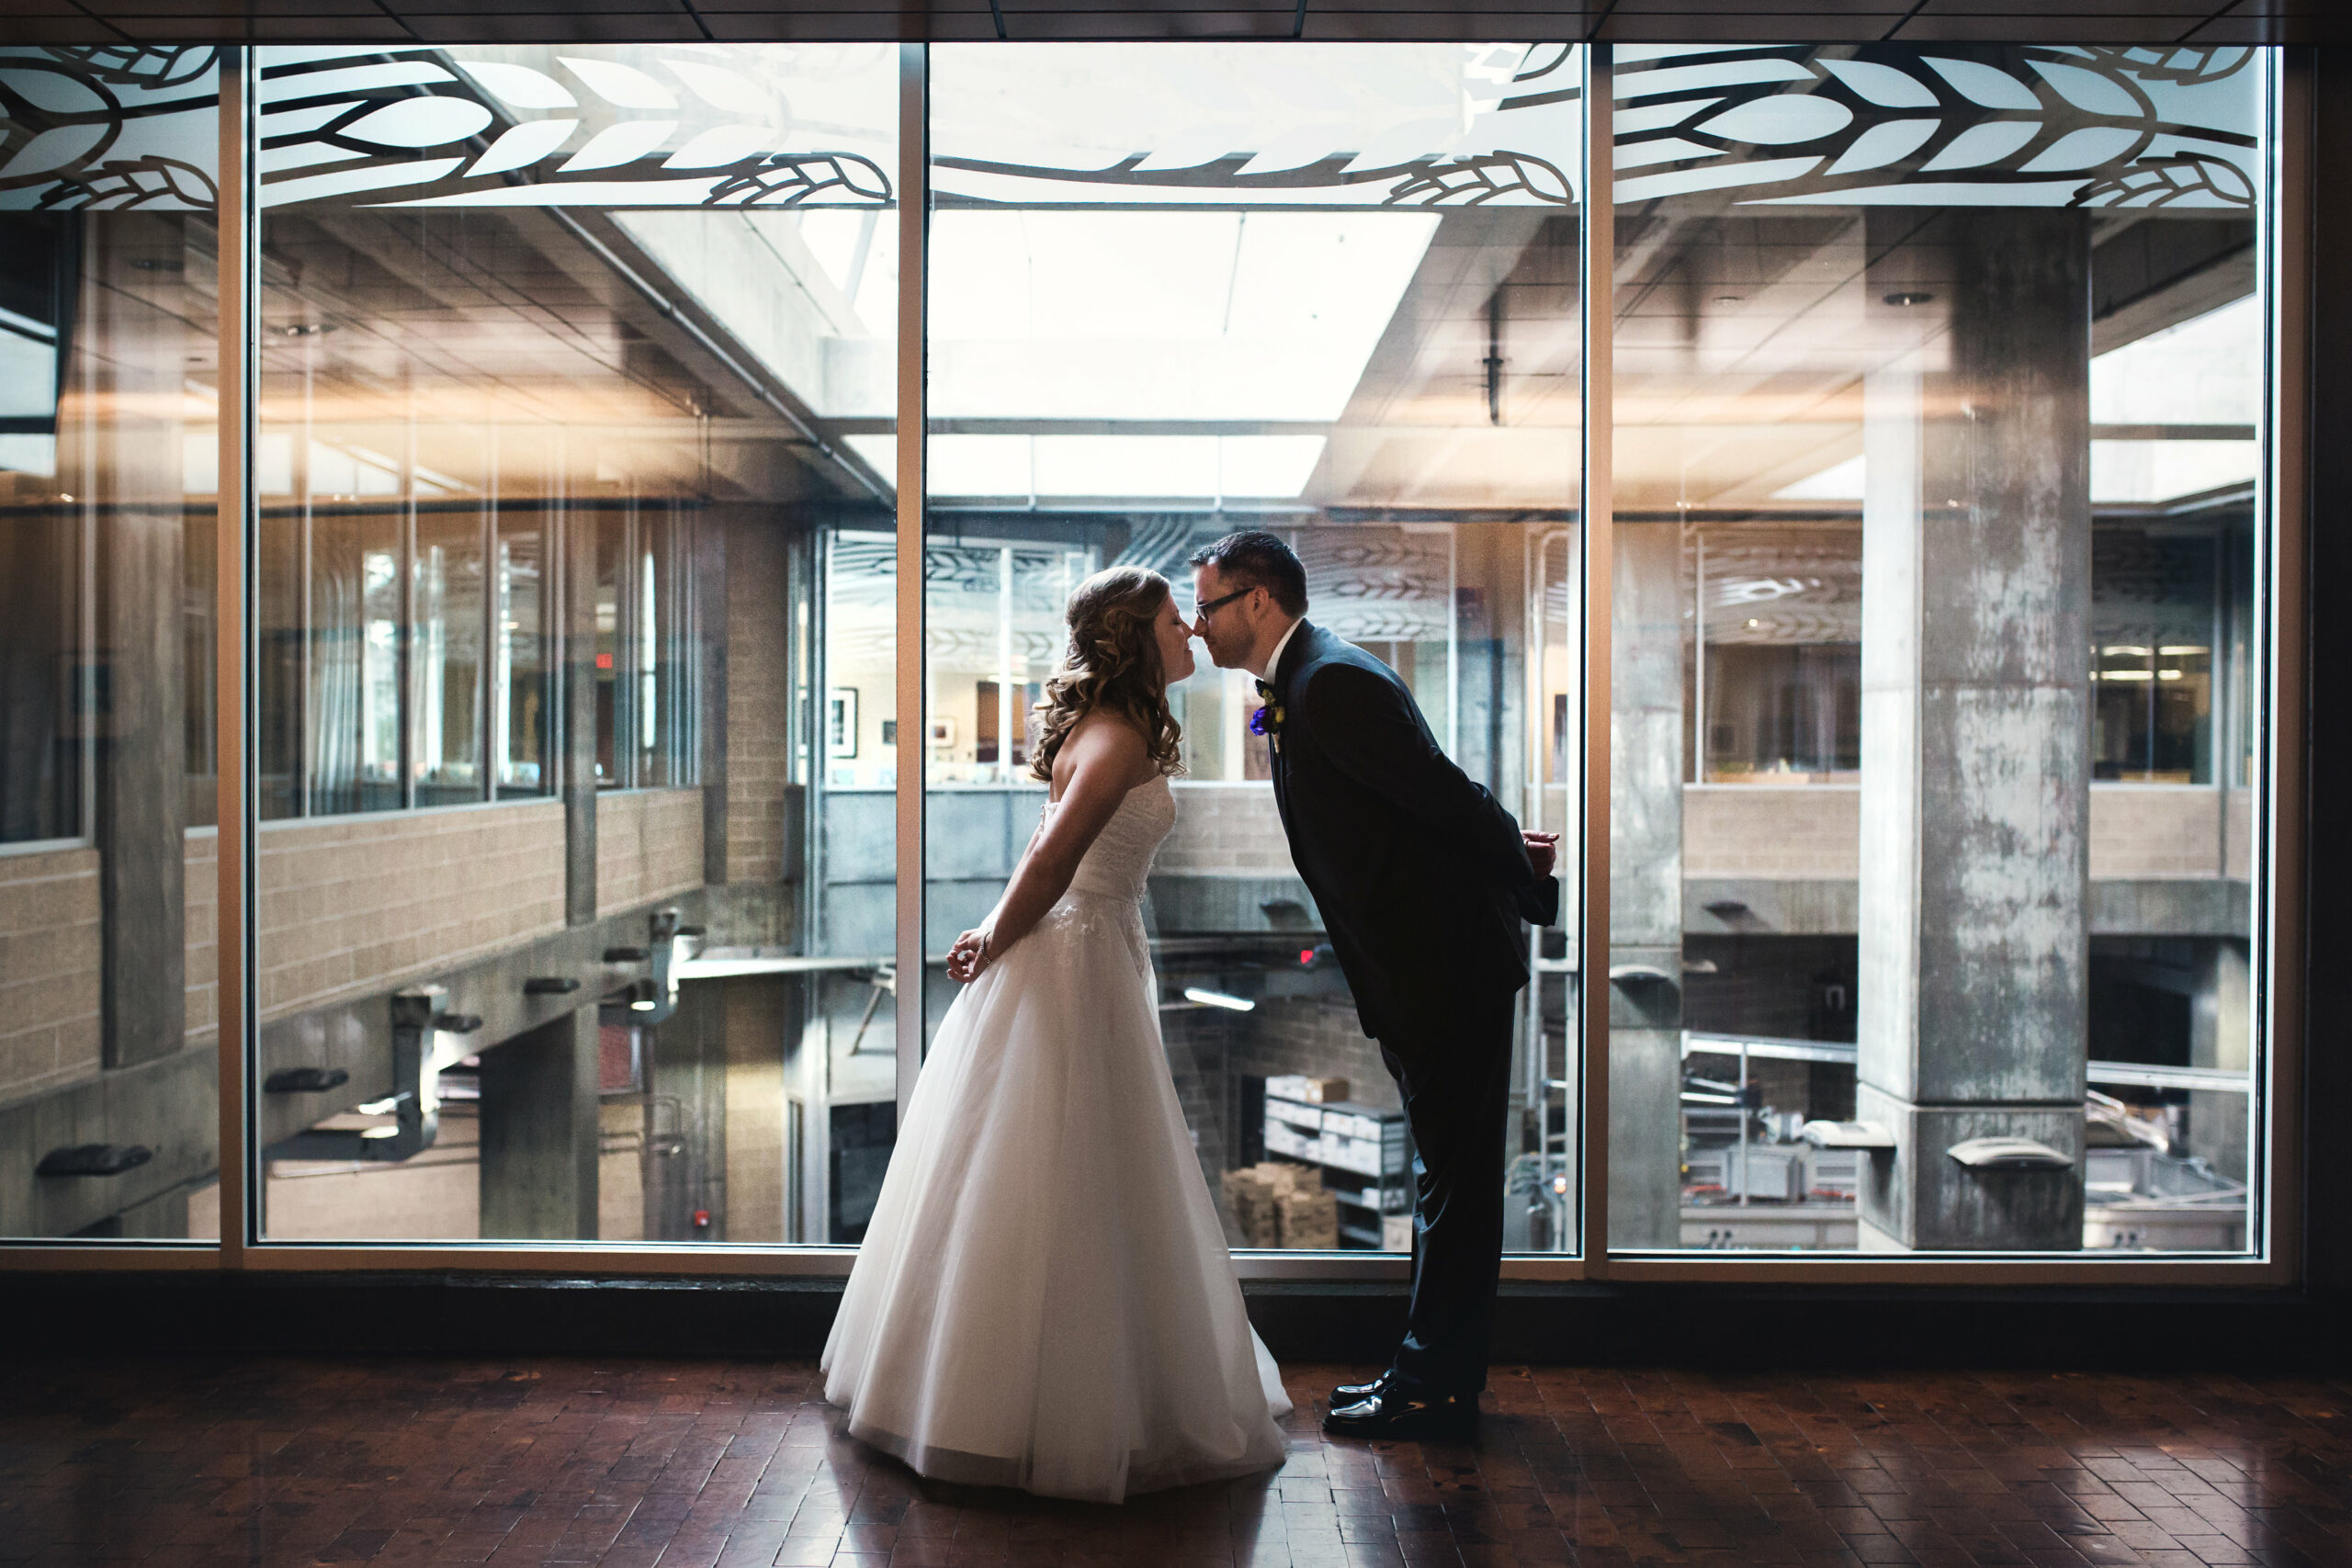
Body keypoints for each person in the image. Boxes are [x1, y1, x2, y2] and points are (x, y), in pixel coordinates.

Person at [821, 564, 1289, 1505]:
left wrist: (1004, 931)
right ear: (1134, 637)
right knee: (1069, 1172)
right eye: (1171, 619)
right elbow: (1051, 856)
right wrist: (994, 935)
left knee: (1082, 1173)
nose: (1189, 633)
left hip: (1095, 948)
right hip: (1074, 960)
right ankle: (1035, 1407)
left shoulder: (1113, 730)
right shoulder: (1115, 739)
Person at [1189, 530, 1559, 1439]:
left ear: (1260, 601)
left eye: (1208, 607)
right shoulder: (1297, 683)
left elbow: (1443, 795)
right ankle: (1427, 1375)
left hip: (1444, 971)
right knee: (1446, 1179)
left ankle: (1430, 1385)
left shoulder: (1331, 682)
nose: (1198, 627)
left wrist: (1519, 867)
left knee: (1453, 1186)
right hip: (1418, 972)